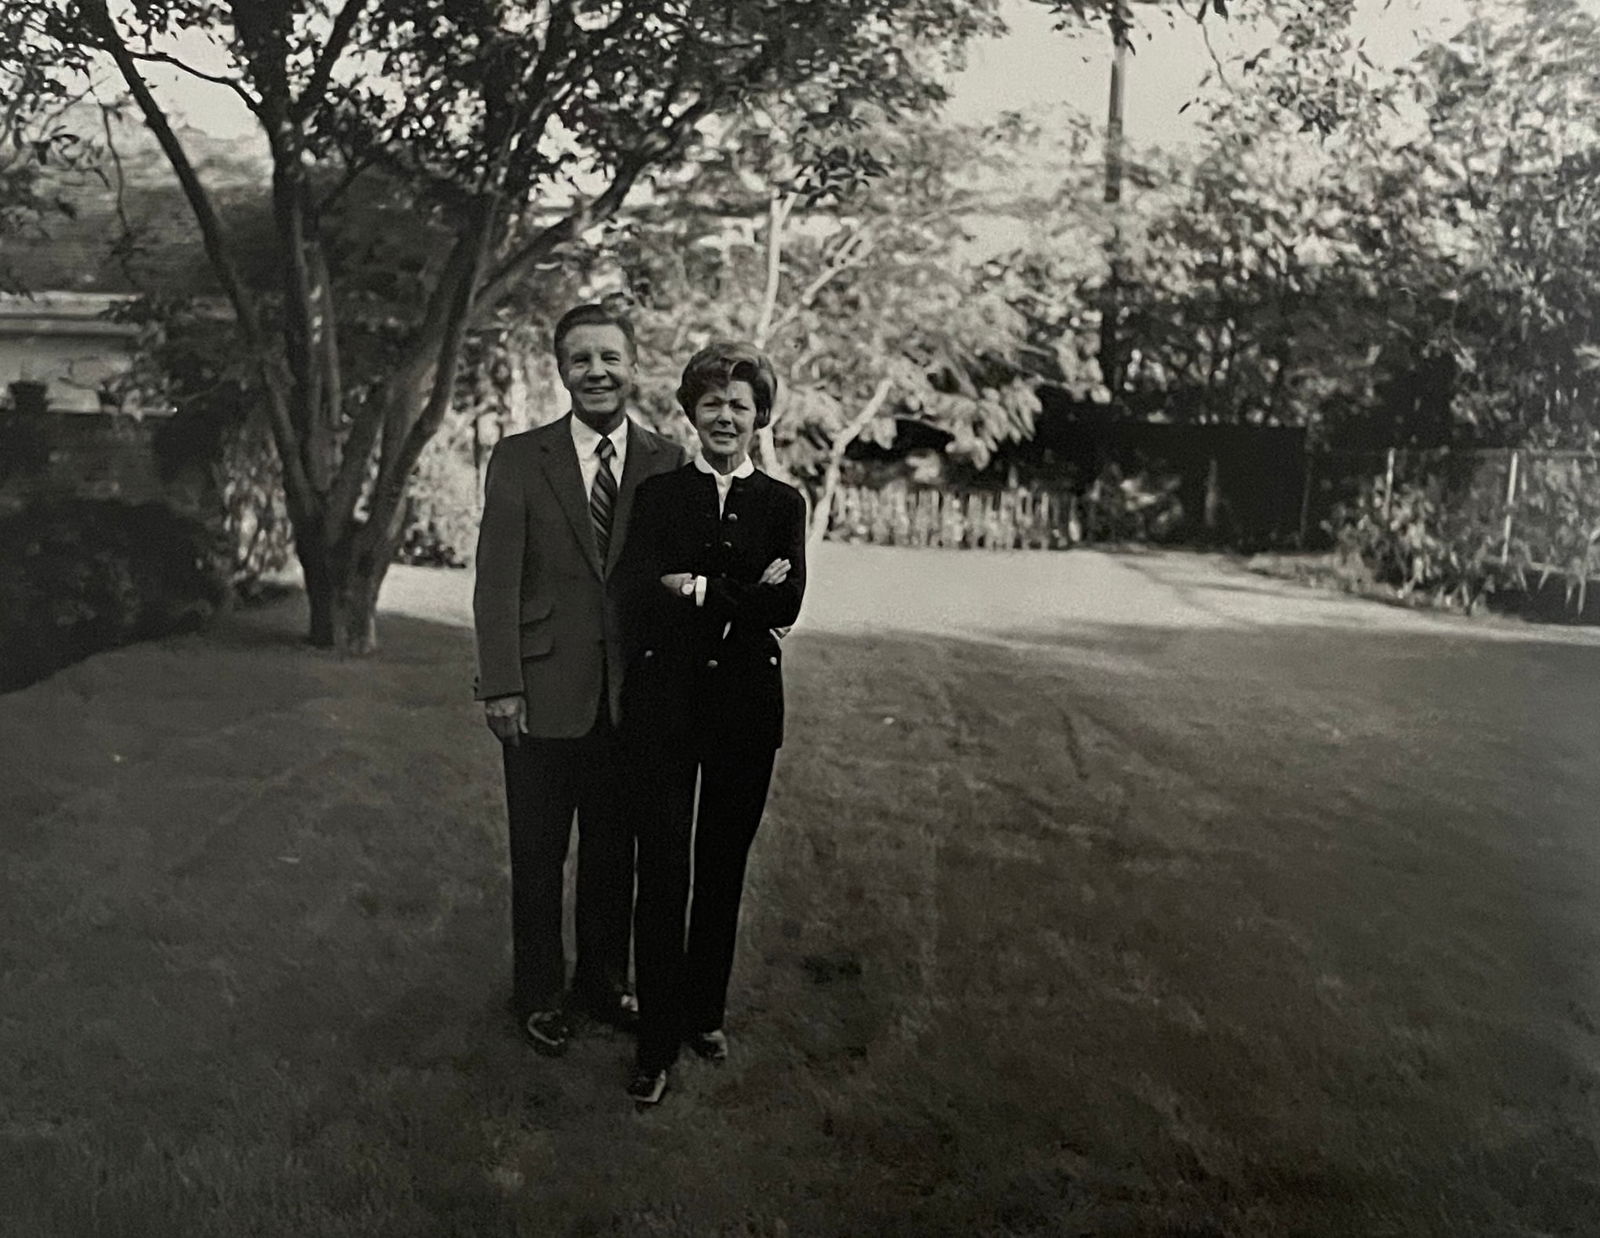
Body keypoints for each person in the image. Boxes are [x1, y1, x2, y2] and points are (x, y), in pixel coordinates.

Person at [472, 303, 688, 1056]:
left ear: (634, 365)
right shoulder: (519, 457)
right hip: (540, 690)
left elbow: (675, 581)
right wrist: (501, 683)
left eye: (609, 357)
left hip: (633, 698)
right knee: (537, 855)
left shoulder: (667, 462)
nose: (596, 372)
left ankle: (603, 980)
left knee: (613, 852)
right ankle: (538, 993)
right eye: (580, 359)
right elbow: (496, 579)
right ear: (561, 370)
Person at [617, 341, 807, 1105]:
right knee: (663, 870)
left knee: (723, 866)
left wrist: (694, 587)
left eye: (740, 404)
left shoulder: (783, 503)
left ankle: (705, 1013)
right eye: (711, 402)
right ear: (689, 412)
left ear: (760, 416)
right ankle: (656, 1040)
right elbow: (637, 588)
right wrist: (740, 592)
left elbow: (787, 606)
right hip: (665, 709)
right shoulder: (660, 497)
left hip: (746, 714)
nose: (725, 416)